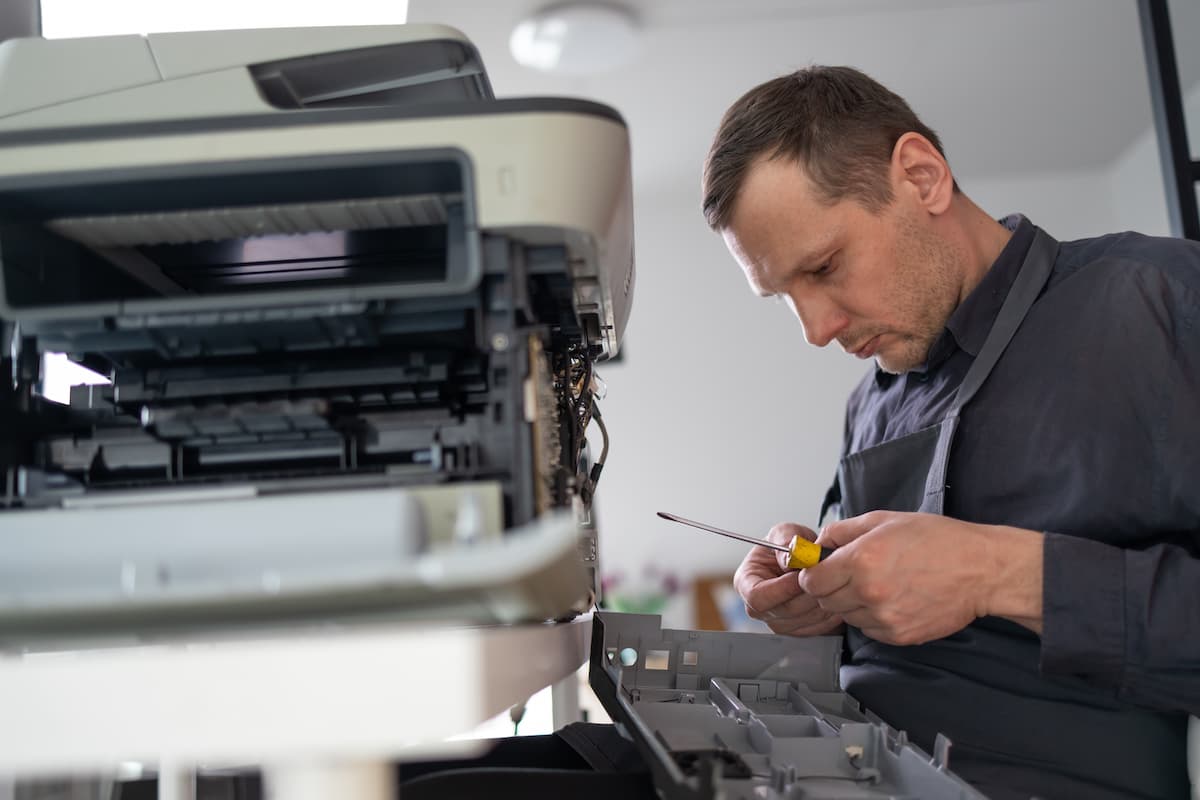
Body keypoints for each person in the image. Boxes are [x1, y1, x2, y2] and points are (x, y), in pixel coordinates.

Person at [706, 66, 1200, 799]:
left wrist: (998, 574)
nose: (815, 332)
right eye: (785, 297)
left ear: (922, 176)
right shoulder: (869, 402)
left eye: (825, 266)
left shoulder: (1159, 301)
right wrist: (819, 604)